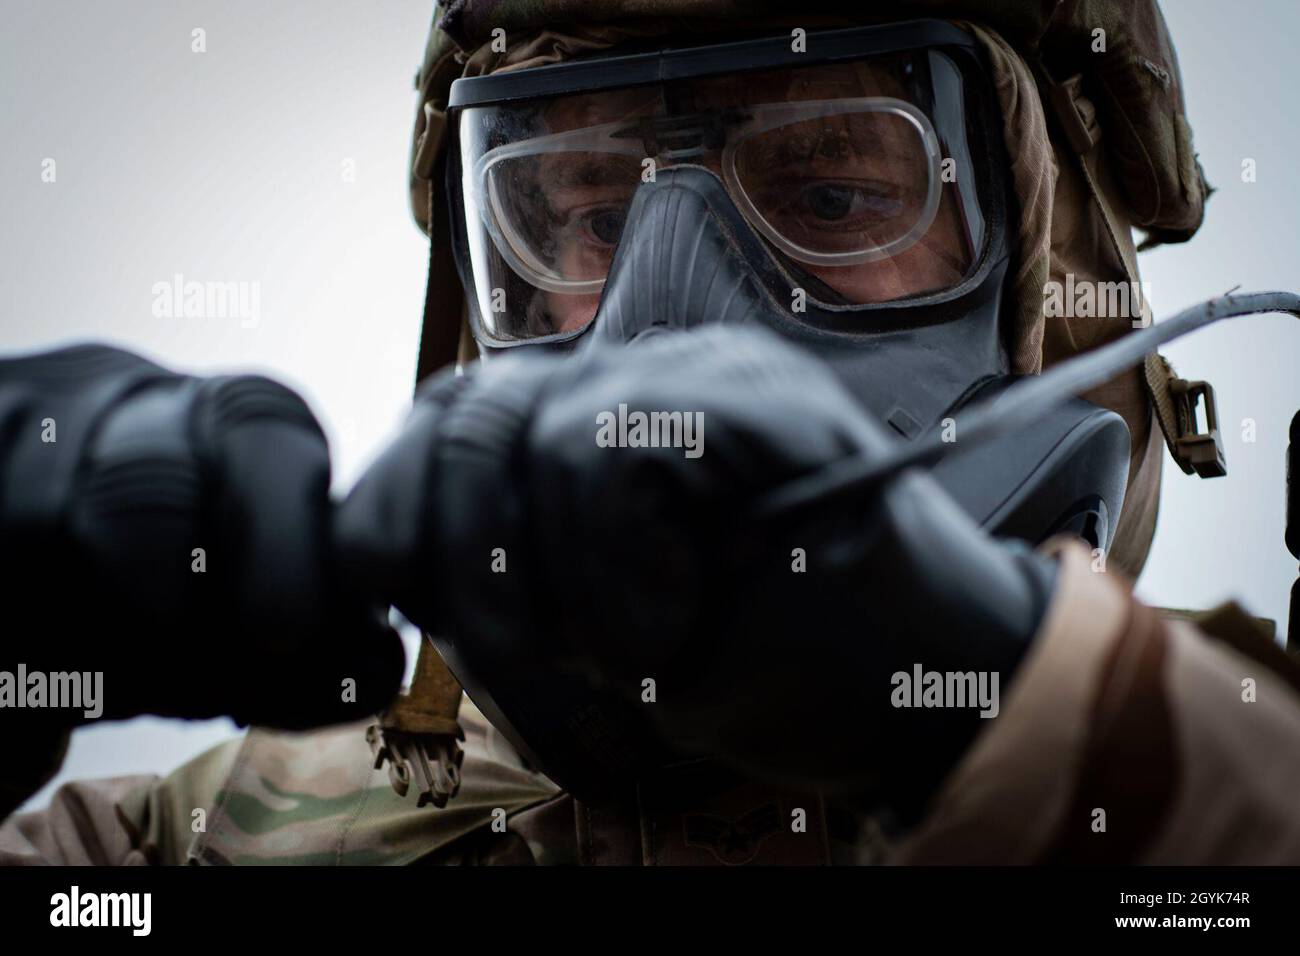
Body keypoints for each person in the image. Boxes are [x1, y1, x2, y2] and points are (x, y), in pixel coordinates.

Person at [3, 1, 1300, 866]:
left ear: (1052, 280)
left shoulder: (1240, 790)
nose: (668, 329)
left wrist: (1045, 725)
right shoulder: (197, 850)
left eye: (836, 190)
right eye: (590, 219)